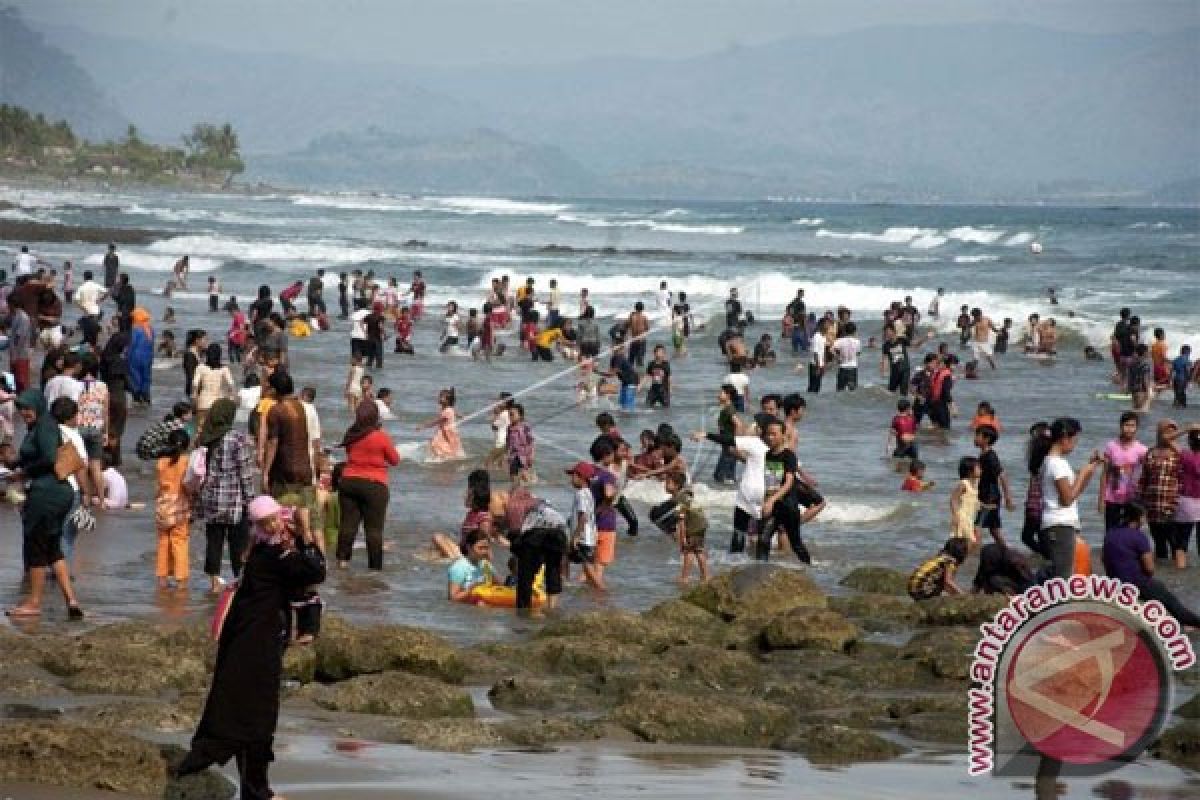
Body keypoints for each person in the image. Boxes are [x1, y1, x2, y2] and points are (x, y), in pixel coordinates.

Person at [176, 496, 325, 800]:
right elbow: (315, 573)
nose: (274, 525)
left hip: (244, 641)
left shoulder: (259, 551)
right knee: (257, 718)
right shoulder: (273, 555)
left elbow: (302, 582)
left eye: (275, 518)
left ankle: (251, 788)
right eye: (267, 521)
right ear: (259, 524)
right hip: (255, 645)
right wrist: (307, 534)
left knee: (243, 713)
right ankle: (257, 792)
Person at [5, 390, 84, 619]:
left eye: (27, 408)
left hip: (46, 493)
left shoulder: (45, 426)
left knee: (36, 548)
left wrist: (23, 474)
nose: (23, 413)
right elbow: (37, 455)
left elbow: (49, 459)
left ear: (38, 406)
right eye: (20, 409)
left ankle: (33, 603)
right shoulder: (40, 427)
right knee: (53, 549)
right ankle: (72, 600)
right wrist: (15, 462)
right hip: (57, 493)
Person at [1102, 503, 1199, 628]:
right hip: (1137, 583)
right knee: (1174, 605)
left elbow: (1104, 559)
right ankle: (1191, 624)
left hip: (1115, 585)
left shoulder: (1110, 535)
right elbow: (1149, 568)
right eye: (1144, 516)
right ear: (1139, 518)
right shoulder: (1139, 537)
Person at [1031, 417, 1103, 579]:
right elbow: (1067, 499)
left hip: (1058, 524)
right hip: (1059, 525)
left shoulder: (1051, 462)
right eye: (1075, 440)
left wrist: (1088, 472)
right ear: (1065, 438)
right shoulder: (1057, 463)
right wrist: (1083, 473)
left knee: (1059, 572)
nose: (1075, 444)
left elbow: (1073, 494)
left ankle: (1031, 591)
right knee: (1062, 576)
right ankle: (1029, 591)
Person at [196, 398, 255, 593]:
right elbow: (245, 474)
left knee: (214, 542)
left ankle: (214, 582)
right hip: (234, 501)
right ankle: (240, 580)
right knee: (238, 542)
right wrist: (251, 501)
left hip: (211, 499)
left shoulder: (205, 437)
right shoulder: (238, 439)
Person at [336, 400, 399, 570]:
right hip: (374, 485)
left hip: (349, 481)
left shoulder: (351, 433)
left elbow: (349, 452)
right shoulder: (381, 436)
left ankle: (342, 563)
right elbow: (395, 460)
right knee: (374, 530)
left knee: (347, 525)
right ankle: (374, 569)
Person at [1137, 419, 1181, 562]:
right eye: (1166, 431)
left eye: (1172, 431)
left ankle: (1178, 574)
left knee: (1176, 543)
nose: (1169, 434)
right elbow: (1144, 480)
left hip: (1172, 506)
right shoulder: (1150, 453)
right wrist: (1140, 505)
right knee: (1159, 543)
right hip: (1152, 507)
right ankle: (1163, 573)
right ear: (1159, 433)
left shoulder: (1179, 454)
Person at [155, 428, 191, 589]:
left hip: (162, 506)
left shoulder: (161, 462)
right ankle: (180, 579)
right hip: (179, 507)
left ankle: (162, 578)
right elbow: (188, 485)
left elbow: (159, 484)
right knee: (179, 542)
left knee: (163, 542)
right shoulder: (186, 462)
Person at [1098, 411, 1147, 531]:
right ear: (1121, 426)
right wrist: (1101, 499)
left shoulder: (1141, 450)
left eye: (1132, 426)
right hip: (1112, 497)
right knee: (1110, 532)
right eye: (1126, 425)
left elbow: (1145, 475)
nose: (1129, 429)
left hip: (1131, 498)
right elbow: (1105, 473)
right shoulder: (1111, 446)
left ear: (1137, 428)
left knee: (1130, 532)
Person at [566, 462, 605, 591]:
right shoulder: (588, 493)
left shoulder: (581, 494)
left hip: (583, 539)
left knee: (588, 569)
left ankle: (601, 591)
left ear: (581, 478)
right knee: (564, 557)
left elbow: (583, 517)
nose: (571, 479)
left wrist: (575, 537)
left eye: (573, 475)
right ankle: (564, 584)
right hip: (589, 538)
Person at [974, 424, 1014, 548]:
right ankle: (1006, 552)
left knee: (976, 527)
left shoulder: (990, 456)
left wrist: (1008, 497)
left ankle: (976, 556)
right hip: (988, 494)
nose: (974, 438)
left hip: (989, 496)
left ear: (986, 439)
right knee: (994, 530)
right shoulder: (984, 455)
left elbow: (1002, 475)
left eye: (977, 436)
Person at [665, 471, 709, 583]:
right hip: (701, 522)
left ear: (676, 486)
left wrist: (682, 538)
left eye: (668, 483)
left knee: (688, 551)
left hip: (693, 525)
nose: (665, 485)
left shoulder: (680, 498)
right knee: (699, 550)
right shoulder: (685, 493)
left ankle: (684, 577)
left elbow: (682, 520)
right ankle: (705, 576)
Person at [1172, 426, 1200, 569]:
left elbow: (1167, 438)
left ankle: (1180, 572)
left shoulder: (1184, 454)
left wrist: (1188, 428)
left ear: (1189, 441)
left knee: (1181, 542)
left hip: (1186, 503)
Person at [447, 528, 497, 603]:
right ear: (469, 547)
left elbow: (500, 586)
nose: (484, 552)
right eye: (480, 548)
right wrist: (471, 589)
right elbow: (453, 598)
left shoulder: (486, 565)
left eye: (486, 548)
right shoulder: (459, 568)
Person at [193, 343, 235, 432]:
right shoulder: (224, 369)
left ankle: (200, 446)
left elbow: (195, 385)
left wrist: (194, 400)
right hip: (217, 402)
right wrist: (230, 399)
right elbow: (231, 385)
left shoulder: (200, 367)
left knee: (200, 429)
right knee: (215, 430)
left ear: (207, 354)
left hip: (203, 402)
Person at [950, 456, 981, 545]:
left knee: (964, 543)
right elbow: (953, 499)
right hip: (962, 518)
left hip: (970, 518)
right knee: (969, 542)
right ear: (970, 471)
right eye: (978, 467)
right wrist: (955, 515)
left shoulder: (976, 483)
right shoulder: (964, 484)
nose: (981, 469)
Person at [127, 307, 154, 405]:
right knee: (146, 377)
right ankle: (146, 397)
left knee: (135, 377)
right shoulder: (150, 329)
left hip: (135, 357)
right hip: (148, 357)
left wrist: (126, 357)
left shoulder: (135, 329)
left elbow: (131, 345)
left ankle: (137, 398)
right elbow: (151, 345)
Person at [505, 403, 535, 486]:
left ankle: (528, 488)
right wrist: (506, 454)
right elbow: (508, 442)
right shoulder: (509, 428)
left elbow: (531, 441)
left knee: (524, 475)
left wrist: (532, 454)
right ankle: (516, 488)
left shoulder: (525, 427)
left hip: (524, 455)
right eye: (509, 415)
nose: (510, 417)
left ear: (520, 416)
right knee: (512, 475)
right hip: (513, 455)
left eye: (512, 414)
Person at [888, 398, 919, 462]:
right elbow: (915, 430)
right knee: (913, 464)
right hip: (913, 446)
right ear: (908, 409)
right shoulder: (912, 418)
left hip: (902, 446)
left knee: (895, 463)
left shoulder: (896, 419)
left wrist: (889, 446)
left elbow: (892, 432)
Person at [1128, 343, 1153, 412]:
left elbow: (1129, 377)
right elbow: (1145, 379)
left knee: (1136, 409)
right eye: (1148, 351)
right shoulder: (1145, 364)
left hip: (1134, 389)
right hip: (1141, 389)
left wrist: (1129, 388)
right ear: (1145, 352)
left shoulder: (1132, 363)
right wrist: (1148, 392)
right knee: (1142, 412)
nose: (1149, 353)